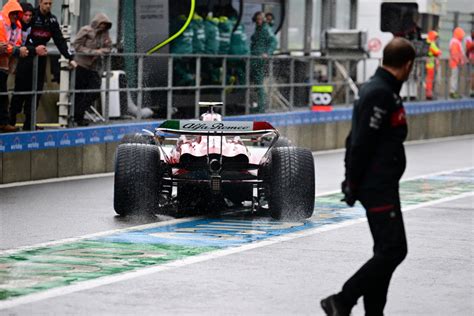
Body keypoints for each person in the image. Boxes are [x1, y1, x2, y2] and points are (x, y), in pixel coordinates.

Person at [321, 37, 416, 316]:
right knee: (394, 250)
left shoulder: (381, 89)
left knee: (384, 251)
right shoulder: (380, 93)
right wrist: (352, 183)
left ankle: (374, 312)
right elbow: (360, 142)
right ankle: (342, 299)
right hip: (377, 186)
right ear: (408, 65)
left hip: (382, 184)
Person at [9, 0, 76, 131]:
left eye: (50, 4)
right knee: (20, 91)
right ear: (40, 2)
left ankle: (30, 123)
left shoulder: (52, 20)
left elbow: (59, 40)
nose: (48, 6)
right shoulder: (31, 15)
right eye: (45, 3)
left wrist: (70, 57)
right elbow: (21, 36)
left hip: (40, 60)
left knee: (36, 92)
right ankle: (11, 121)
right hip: (26, 57)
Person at [72, 13, 112, 126]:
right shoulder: (85, 30)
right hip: (81, 65)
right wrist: (93, 52)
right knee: (78, 93)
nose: (103, 26)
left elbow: (108, 48)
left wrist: (101, 51)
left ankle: (77, 113)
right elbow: (77, 45)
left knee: (94, 91)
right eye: (102, 24)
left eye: (106, 25)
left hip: (94, 68)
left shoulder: (105, 34)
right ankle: (78, 118)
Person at [0, 0, 25, 133]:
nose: (16, 16)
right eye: (14, 13)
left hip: (4, 66)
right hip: (3, 64)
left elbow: (14, 44)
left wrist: (15, 50)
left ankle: (4, 123)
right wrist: (15, 51)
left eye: (17, 14)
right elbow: (3, 45)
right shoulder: (1, 23)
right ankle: (3, 123)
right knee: (3, 95)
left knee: (3, 95)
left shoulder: (17, 27)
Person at [250, 11, 276, 113]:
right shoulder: (259, 29)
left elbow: (273, 41)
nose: (259, 21)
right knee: (256, 82)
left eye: (261, 19)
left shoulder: (265, 29)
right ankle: (259, 105)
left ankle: (261, 106)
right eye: (257, 19)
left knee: (259, 82)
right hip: (254, 58)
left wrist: (267, 53)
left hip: (259, 59)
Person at [449, 27, 466, 99]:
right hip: (455, 63)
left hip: (456, 63)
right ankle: (452, 92)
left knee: (455, 78)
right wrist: (459, 61)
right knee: (454, 77)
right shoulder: (455, 42)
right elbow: (455, 54)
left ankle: (454, 91)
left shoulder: (456, 41)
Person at [425, 30, 442, 100]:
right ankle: (429, 94)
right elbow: (438, 52)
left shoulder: (427, 43)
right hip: (431, 64)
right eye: (435, 37)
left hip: (429, 63)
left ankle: (429, 93)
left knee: (429, 79)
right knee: (430, 79)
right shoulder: (432, 44)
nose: (436, 39)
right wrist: (439, 51)